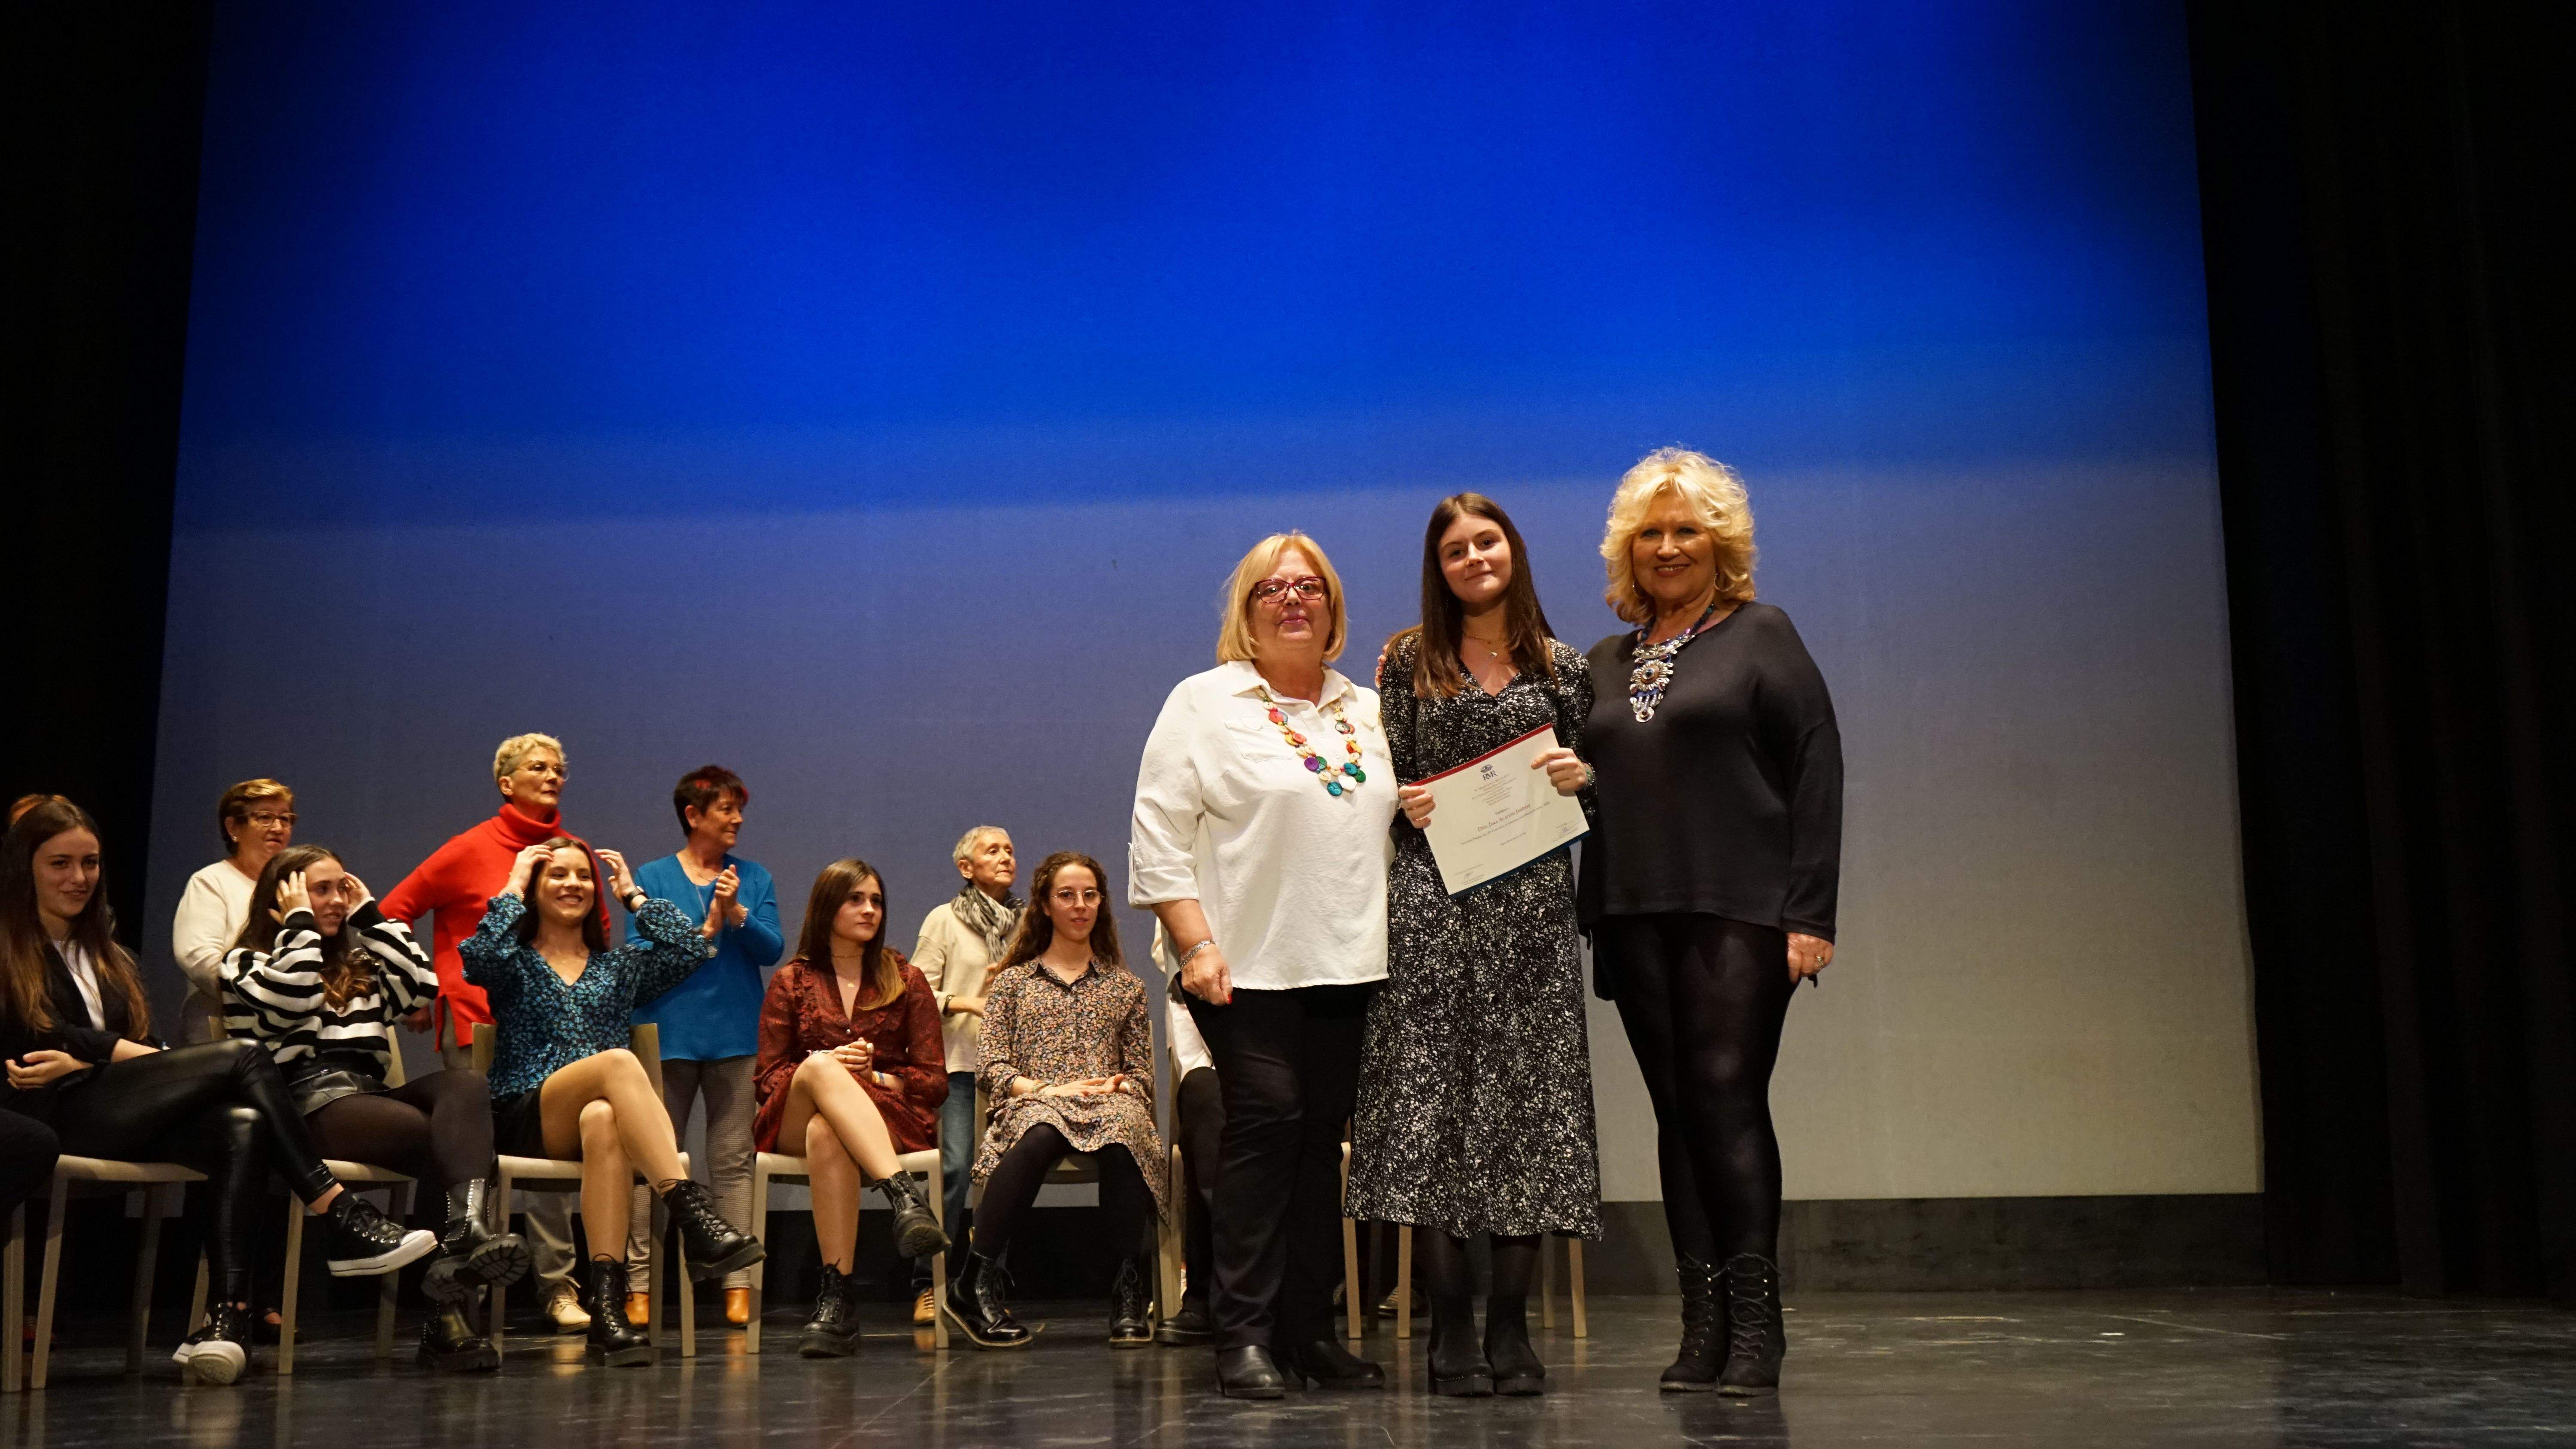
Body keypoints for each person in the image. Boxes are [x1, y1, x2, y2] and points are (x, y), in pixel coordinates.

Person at [0, 799, 435, 1386]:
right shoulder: (8, 946)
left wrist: (113, 1052)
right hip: (50, 1112)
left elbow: (124, 1035)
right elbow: (41, 1034)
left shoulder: (105, 950)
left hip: (110, 1099)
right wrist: (132, 1055)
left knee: (243, 1127)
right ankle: (336, 1208)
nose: (79, 879)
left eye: (91, 864)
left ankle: (227, 1319)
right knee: (244, 1057)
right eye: (60, 864)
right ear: (24, 867)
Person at [1579, 447, 1842, 1394]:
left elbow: (1816, 767)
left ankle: (1759, 1329)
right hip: (1632, 910)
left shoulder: (1764, 633)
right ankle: (1704, 1326)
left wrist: (1811, 911)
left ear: (1721, 540)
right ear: (1628, 550)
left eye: (1687, 528)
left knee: (1727, 1098)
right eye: (1650, 532)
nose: (1668, 545)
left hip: (1743, 906)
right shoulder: (1606, 660)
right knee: (1677, 1112)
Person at [1129, 532, 1397, 1399]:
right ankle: (1241, 1327)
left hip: (1350, 960)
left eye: (1310, 586)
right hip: (1240, 965)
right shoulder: (1205, 702)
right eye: (1273, 588)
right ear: (1245, 611)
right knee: (1268, 1121)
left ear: (1333, 607)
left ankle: (1307, 1330)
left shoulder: (1366, 707)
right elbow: (1159, 834)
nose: (1294, 599)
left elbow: (1394, 814)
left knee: (1320, 1143)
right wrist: (1196, 942)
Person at [1347, 492, 1602, 1397]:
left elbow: (1595, 791)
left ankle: (1510, 1324)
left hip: (1531, 916)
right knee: (1435, 1115)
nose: (1473, 558)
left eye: (1486, 541)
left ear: (1513, 550)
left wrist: (1587, 777)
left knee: (1527, 1113)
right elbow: (1375, 781)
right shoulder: (1407, 662)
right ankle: (1449, 1322)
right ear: (1438, 565)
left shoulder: (1565, 668)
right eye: (1454, 549)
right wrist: (1399, 800)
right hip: (1433, 908)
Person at [221, 844, 528, 1372]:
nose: (337, 899)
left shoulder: (359, 964)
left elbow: (419, 989)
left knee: (466, 1086)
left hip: (367, 1094)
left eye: (343, 887)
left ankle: (467, 1227)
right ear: (283, 897)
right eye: (321, 890)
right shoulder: (245, 963)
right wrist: (299, 925)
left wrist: (371, 916)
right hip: (302, 1104)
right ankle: (446, 1320)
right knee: (456, 1147)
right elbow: (292, 997)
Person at [461, 836, 765, 1366]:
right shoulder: (515, 965)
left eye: (584, 875)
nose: (574, 884)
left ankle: (607, 1309)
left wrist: (634, 895)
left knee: (604, 1117)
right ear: (535, 889)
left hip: (590, 1127)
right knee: (620, 1063)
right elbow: (479, 957)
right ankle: (690, 1210)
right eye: (557, 875)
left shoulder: (617, 967)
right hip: (526, 1117)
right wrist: (511, 884)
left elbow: (691, 949)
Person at [382, 733, 605, 1331]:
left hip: (552, 1027)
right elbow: (391, 912)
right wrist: (420, 985)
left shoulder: (571, 852)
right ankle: (462, 1295)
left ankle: (558, 1287)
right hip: (477, 1022)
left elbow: (600, 934)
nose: (553, 776)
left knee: (551, 1154)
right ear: (505, 782)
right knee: (472, 1155)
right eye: (539, 768)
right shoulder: (467, 849)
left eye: (560, 768)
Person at [950, 851, 1164, 1352]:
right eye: (1067, 895)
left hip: (1107, 1105)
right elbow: (993, 1068)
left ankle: (1128, 1288)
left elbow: (1139, 1074)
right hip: (1036, 1101)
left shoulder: (1125, 987)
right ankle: (973, 1280)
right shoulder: (1013, 982)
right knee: (1042, 1126)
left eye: (1090, 895)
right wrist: (1047, 1090)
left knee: (1125, 1127)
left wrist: (1119, 1087)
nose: (1080, 905)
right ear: (1045, 905)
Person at [750, 858, 951, 1358]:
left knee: (827, 1131)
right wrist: (828, 1071)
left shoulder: (906, 977)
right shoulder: (791, 981)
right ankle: (904, 1197)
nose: (869, 909)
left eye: (877, 901)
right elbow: (769, 1078)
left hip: (888, 1116)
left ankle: (837, 1297)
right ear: (827, 907)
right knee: (818, 1070)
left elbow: (934, 1082)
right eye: (855, 899)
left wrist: (874, 1075)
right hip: (791, 1113)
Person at [623, 766, 782, 1330]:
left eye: (740, 810)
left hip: (735, 1035)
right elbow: (642, 949)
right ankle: (638, 1285)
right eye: (725, 810)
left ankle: (737, 1283)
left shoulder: (753, 876)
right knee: (653, 1162)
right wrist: (706, 924)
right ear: (693, 815)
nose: (737, 819)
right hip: (665, 1036)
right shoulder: (652, 876)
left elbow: (772, 947)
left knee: (733, 1160)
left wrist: (736, 913)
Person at [907, 824, 1020, 1324]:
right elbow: (914, 993)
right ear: (965, 868)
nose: (1005, 857)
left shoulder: (1029, 923)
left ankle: (985, 1283)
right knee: (953, 1172)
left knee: (1002, 1178)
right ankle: (927, 1281)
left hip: (1014, 1072)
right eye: (992, 850)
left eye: (1010, 850)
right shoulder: (944, 921)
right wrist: (966, 1000)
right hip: (959, 1064)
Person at [172, 779, 296, 1043]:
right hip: (221, 1035)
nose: (278, 828)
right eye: (265, 818)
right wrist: (264, 996)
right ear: (233, 827)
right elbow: (198, 958)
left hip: (288, 1037)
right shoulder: (211, 881)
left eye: (285, 819)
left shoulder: (295, 887)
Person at [1151, 926, 1220, 1347]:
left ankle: (1292, 1299)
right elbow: (1171, 952)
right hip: (1206, 1042)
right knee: (1206, 1114)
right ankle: (1206, 1294)